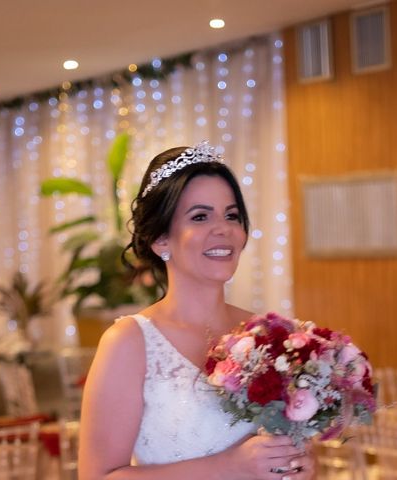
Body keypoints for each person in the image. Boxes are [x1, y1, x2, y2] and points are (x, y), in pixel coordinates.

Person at [78, 142, 314, 479]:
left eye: (231, 215)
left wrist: (301, 467)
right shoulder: (130, 341)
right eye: (200, 216)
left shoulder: (271, 335)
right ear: (161, 240)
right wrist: (229, 467)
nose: (223, 229)